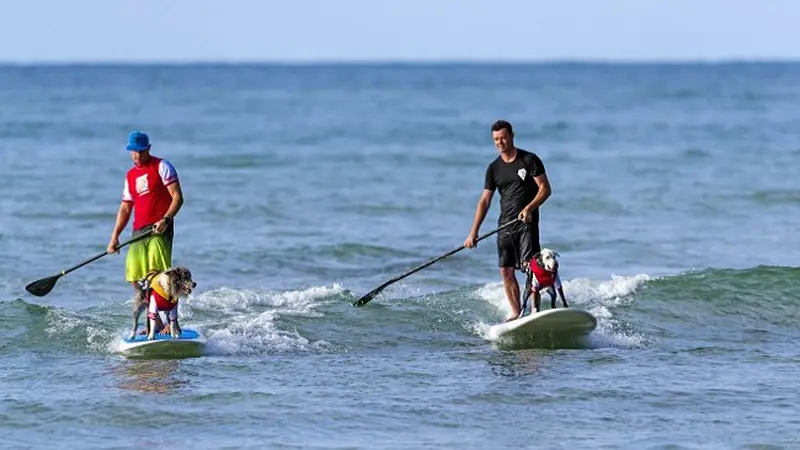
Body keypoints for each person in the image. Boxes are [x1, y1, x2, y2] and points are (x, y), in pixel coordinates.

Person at [464, 120, 552, 322]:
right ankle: (515, 313)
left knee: (531, 268)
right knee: (506, 270)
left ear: (512, 136)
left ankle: (534, 312)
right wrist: (473, 232)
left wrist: (529, 208)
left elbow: (545, 189)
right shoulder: (493, 168)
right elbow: (485, 200)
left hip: (526, 224)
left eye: (503, 137)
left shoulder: (529, 160)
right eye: (496, 139)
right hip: (505, 225)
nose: (499, 142)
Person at [107, 130, 184, 331]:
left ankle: (171, 322)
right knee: (135, 277)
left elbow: (177, 197)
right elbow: (125, 207)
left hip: (160, 228)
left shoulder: (162, 166)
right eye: (133, 151)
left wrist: (166, 219)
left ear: (148, 149)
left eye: (141, 151)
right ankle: (155, 322)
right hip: (138, 230)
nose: (137, 155)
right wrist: (114, 237)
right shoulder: (130, 176)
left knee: (160, 276)